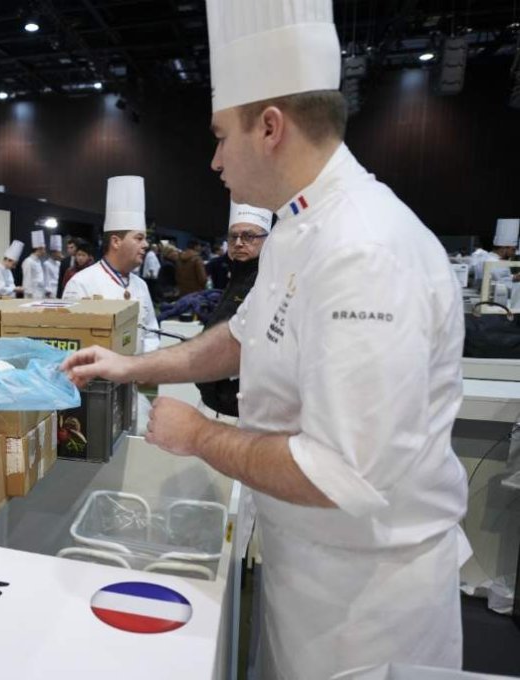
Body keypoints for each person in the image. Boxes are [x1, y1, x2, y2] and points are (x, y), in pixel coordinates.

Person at [62, 1, 469, 676]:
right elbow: (238, 339)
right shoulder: (298, 230)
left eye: (223, 136)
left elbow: (343, 472)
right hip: (306, 568)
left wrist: (196, 436)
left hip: (367, 601)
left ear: (271, 127)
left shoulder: (363, 249)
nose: (216, 159)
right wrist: (130, 366)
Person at [63, 176, 160, 353]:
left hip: (136, 376)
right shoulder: (81, 283)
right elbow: (70, 341)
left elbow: (152, 333)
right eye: (139, 238)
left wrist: (143, 365)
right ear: (116, 242)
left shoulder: (141, 285)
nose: (146, 245)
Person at [195, 201, 272, 420]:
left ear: (267, 240)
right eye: (233, 236)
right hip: (212, 404)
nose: (238, 243)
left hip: (240, 413)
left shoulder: (268, 281)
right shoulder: (237, 275)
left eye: (249, 236)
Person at [22, 230, 47, 299]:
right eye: (44, 249)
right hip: (32, 296)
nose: (45, 251)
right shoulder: (28, 261)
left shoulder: (38, 261)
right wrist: (29, 297)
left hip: (40, 294)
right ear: (39, 249)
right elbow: (27, 280)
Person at [44, 234, 64, 298]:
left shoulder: (59, 263)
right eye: (59, 252)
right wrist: (48, 292)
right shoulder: (46, 264)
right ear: (53, 253)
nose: (60, 254)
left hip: (58, 290)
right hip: (51, 292)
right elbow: (46, 279)